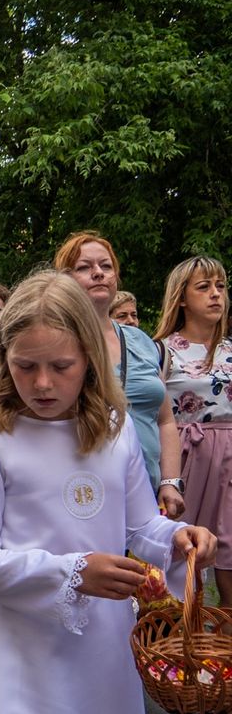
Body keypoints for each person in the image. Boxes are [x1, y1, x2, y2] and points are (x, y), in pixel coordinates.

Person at [0, 270, 216, 714]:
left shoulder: (117, 430)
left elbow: (138, 525)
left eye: (61, 366)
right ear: (3, 358)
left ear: (90, 358)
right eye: (25, 366)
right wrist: (72, 572)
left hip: (106, 642)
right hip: (26, 643)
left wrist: (175, 538)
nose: (42, 384)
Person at [54, 232, 182, 516]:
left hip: (148, 497)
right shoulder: (53, 343)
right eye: (84, 267)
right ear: (64, 280)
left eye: (106, 266)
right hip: (82, 497)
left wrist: (170, 482)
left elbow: (165, 420)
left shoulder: (141, 341)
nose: (98, 273)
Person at [155, 255, 232, 604]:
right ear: (182, 298)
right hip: (186, 457)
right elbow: (153, 414)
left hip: (229, 461)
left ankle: (224, 650)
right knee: (181, 555)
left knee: (229, 554)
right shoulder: (163, 351)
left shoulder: (230, 349)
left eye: (221, 286)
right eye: (204, 287)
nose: (215, 294)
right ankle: (179, 647)